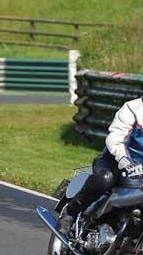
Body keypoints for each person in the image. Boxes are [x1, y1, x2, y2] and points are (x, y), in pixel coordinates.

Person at [59, 97, 143, 235]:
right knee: (105, 179)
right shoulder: (133, 108)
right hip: (116, 162)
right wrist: (125, 161)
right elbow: (116, 138)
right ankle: (71, 212)